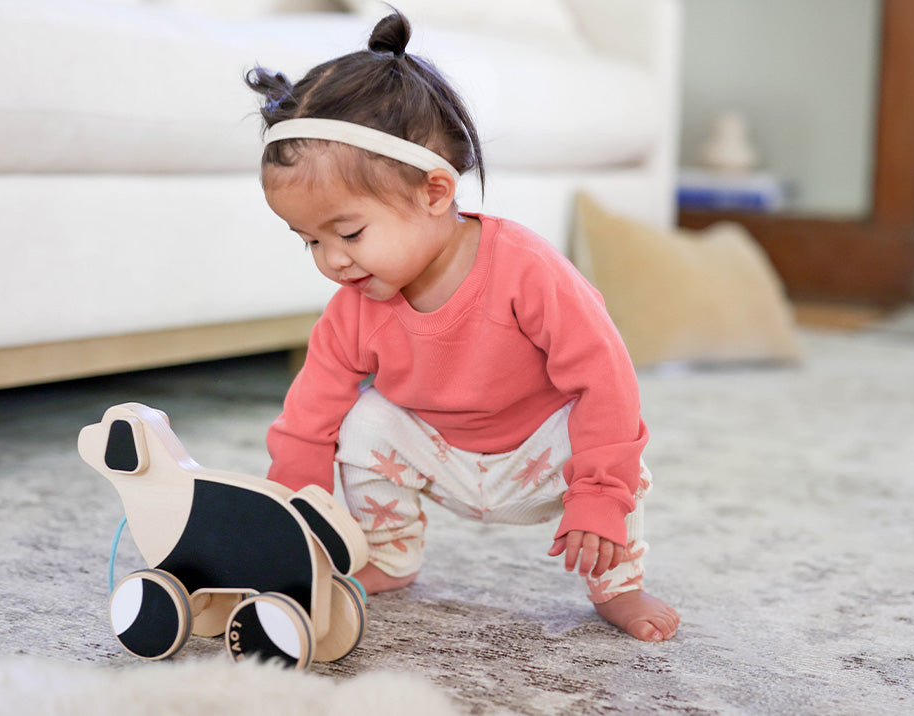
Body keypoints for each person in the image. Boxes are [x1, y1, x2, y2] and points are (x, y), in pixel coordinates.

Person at [245, 10, 679, 642]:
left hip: (539, 455)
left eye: (348, 233)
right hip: (441, 455)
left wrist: (599, 494)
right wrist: (296, 513)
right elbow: (308, 417)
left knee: (616, 445)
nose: (331, 260)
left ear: (435, 192)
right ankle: (390, 558)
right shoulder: (355, 306)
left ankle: (618, 587)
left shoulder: (528, 271)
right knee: (364, 420)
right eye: (308, 240)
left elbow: (603, 381)